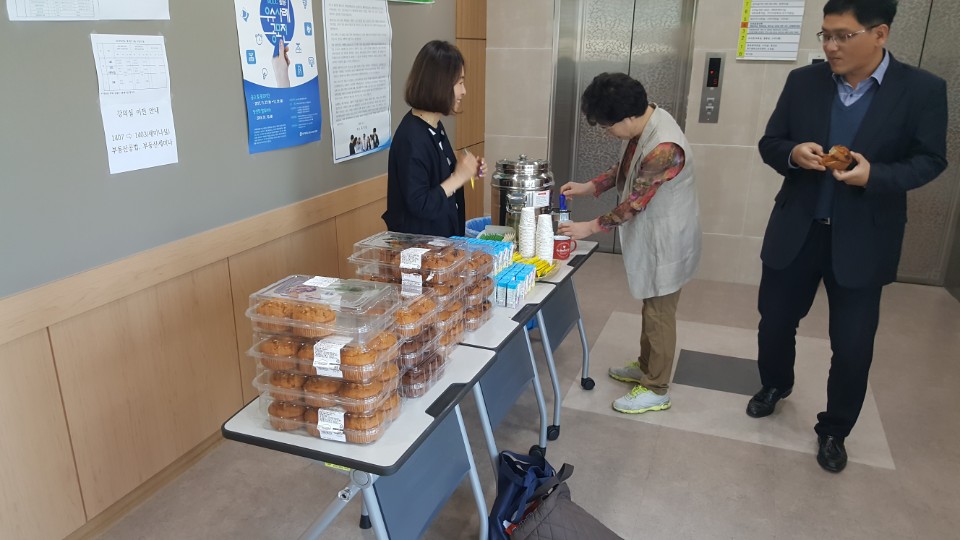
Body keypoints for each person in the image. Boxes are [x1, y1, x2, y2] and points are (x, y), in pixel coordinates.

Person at [749, 0, 948, 473]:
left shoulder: (922, 89)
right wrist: (793, 153)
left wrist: (874, 175)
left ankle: (835, 429)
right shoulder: (804, 82)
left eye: (843, 35)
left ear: (880, 34)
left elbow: (930, 160)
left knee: (853, 346)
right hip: (797, 229)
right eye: (826, 35)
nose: (831, 46)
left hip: (865, 238)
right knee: (774, 322)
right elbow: (770, 142)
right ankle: (775, 383)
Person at [558, 72, 701, 415]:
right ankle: (647, 366)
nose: (608, 133)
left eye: (608, 127)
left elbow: (635, 202)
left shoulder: (665, 146)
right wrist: (590, 186)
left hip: (667, 239)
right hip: (656, 234)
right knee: (651, 305)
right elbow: (626, 167)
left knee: (659, 313)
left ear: (626, 118)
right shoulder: (645, 123)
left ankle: (656, 388)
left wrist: (590, 226)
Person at [383, 40, 484, 236]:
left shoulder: (434, 125)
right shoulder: (411, 137)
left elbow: (438, 178)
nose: (464, 91)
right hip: (420, 247)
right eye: (460, 83)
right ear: (440, 85)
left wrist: (468, 169)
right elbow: (420, 204)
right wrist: (458, 177)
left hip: (444, 242)